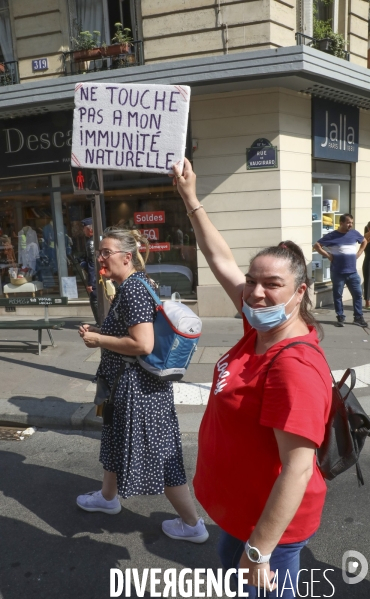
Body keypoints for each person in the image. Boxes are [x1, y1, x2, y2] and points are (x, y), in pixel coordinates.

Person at [172, 158, 332, 598]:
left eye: (273, 284)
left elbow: (297, 470)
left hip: (269, 531)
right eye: (252, 281)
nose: (257, 291)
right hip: (243, 516)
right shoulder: (259, 327)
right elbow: (219, 257)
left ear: (301, 292)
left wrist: (259, 550)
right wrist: (189, 199)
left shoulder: (292, 366)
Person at [76, 226, 208, 544]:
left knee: (161, 455)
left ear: (127, 256)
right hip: (127, 386)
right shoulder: (135, 284)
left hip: (140, 391)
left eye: (106, 252)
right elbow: (129, 329)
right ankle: (108, 497)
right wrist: (101, 330)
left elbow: (143, 343)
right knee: (114, 438)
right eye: (99, 252)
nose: (100, 258)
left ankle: (192, 524)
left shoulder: (133, 289)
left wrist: (97, 339)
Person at [314, 213, 367, 328]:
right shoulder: (332, 236)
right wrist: (328, 255)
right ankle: (340, 316)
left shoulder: (354, 234)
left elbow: (364, 241)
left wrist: (359, 253)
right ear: (341, 223)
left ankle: (358, 317)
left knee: (357, 295)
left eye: (352, 223)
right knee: (338, 295)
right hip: (338, 272)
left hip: (352, 272)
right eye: (348, 222)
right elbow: (317, 245)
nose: (350, 225)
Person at [80, 217, 99, 324]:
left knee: (94, 299)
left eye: (84, 228)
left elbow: (92, 263)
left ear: (90, 230)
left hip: (96, 277)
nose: (83, 231)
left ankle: (99, 322)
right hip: (101, 275)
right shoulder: (98, 240)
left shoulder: (91, 243)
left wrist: (91, 283)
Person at [362, 222, 370, 310]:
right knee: (368, 281)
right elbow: (364, 240)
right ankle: (367, 302)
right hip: (368, 261)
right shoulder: (366, 237)